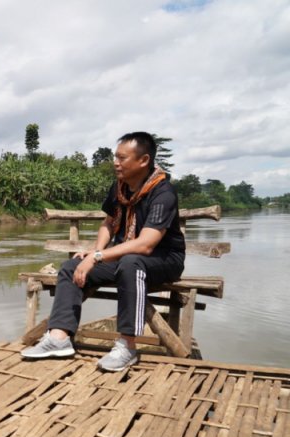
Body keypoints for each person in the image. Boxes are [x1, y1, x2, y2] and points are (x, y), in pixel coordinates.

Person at [21, 132, 185, 371]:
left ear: (143, 160)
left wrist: (98, 257)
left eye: (122, 157)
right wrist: (94, 253)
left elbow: (146, 244)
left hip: (164, 260)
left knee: (131, 263)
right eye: (115, 157)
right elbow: (109, 223)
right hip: (125, 256)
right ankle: (58, 338)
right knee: (70, 268)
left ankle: (127, 346)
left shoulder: (163, 193)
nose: (116, 163)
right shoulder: (119, 188)